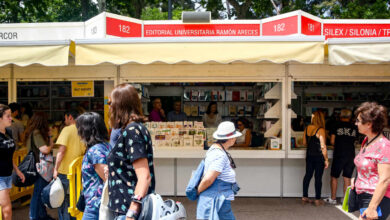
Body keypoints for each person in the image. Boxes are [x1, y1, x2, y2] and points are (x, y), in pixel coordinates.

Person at [107, 84, 155, 220]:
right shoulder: (134, 129)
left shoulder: (132, 131)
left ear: (120, 104)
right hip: (124, 208)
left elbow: (144, 176)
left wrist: (132, 212)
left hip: (127, 210)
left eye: (110, 102)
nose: (109, 107)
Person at [197, 121, 241, 219]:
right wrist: (197, 192)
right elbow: (208, 179)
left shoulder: (215, 149)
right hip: (218, 200)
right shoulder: (220, 155)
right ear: (231, 138)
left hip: (217, 198)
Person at [353, 102, 390, 220]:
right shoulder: (367, 141)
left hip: (376, 198)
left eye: (358, 121)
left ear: (369, 124)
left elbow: (385, 179)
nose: (356, 123)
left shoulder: (384, 146)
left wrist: (372, 207)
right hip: (365, 196)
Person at [76, 112, 111, 220]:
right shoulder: (106, 146)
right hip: (99, 204)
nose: (78, 132)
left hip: (95, 206)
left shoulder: (95, 151)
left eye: (79, 128)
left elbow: (107, 178)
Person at [53, 109, 86, 220]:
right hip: (78, 172)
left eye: (65, 118)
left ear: (70, 117)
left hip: (65, 172)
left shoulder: (67, 130)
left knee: (64, 202)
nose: (65, 120)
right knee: (75, 201)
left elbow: (61, 151)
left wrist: (55, 169)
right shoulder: (83, 130)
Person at [24, 112, 54, 220]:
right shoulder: (36, 133)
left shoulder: (32, 132)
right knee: (38, 192)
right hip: (39, 166)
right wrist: (50, 140)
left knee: (39, 191)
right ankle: (34, 216)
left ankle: (41, 215)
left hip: (37, 166)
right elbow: (45, 149)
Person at [324, 109, 357, 205]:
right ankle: (345, 200)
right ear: (350, 117)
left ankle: (333, 198)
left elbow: (333, 141)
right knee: (347, 177)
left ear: (340, 116)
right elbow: (355, 140)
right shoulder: (354, 127)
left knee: (334, 177)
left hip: (339, 154)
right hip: (350, 154)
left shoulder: (336, 126)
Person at [0, 104, 25, 220]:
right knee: (7, 209)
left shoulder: (8, 132)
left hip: (8, 175)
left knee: (4, 209)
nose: (11, 118)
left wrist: (17, 170)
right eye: (8, 116)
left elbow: (9, 156)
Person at [302, 111, 329, 206]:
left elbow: (304, 143)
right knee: (318, 178)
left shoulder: (307, 128)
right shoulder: (320, 130)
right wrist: (326, 159)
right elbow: (323, 146)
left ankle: (304, 197)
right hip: (318, 157)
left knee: (307, 176)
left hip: (309, 156)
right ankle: (317, 199)